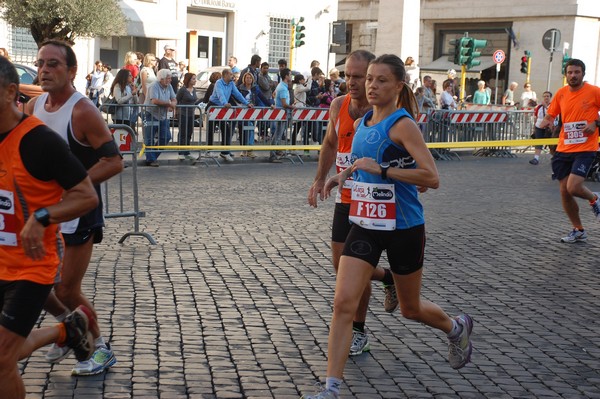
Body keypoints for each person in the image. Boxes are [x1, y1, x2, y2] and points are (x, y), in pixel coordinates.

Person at [302, 54, 474, 399]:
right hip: (365, 223)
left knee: (411, 309)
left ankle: (456, 327)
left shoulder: (403, 124)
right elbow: (361, 161)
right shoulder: (364, 119)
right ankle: (331, 388)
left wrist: (384, 172)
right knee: (342, 303)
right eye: (369, 79)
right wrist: (341, 176)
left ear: (398, 87)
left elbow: (432, 177)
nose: (371, 85)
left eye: (381, 80)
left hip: (404, 227)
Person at [0, 55, 100, 399]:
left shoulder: (38, 141)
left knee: (1, 358)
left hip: (31, 266)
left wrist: (42, 216)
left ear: (11, 91)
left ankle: (65, 330)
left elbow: (86, 196)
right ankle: (66, 331)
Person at [25, 39, 124, 376]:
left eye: (53, 64)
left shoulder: (83, 111)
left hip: (79, 211)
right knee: (37, 282)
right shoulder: (33, 107)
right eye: (40, 63)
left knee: (66, 288)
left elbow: (113, 161)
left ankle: (99, 348)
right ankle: (69, 329)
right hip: (43, 213)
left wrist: (75, 183)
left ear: (71, 71)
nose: (44, 69)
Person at [307, 50, 399, 360]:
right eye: (349, 76)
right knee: (341, 267)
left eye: (359, 76)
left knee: (355, 272)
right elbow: (331, 143)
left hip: (375, 200)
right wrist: (320, 179)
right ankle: (388, 277)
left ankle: (358, 332)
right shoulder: (338, 105)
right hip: (346, 198)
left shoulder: (384, 112)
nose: (353, 82)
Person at [539, 58, 600, 243]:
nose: (573, 75)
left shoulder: (594, 91)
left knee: (573, 187)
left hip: (585, 147)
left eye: (577, 72)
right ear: (566, 75)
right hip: (564, 148)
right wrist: (544, 124)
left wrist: (596, 123)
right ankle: (578, 229)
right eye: (570, 72)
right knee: (564, 191)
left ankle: (595, 199)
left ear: (583, 74)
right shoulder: (561, 93)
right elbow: (552, 113)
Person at [207, 67, 253, 162]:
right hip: (214, 106)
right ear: (225, 75)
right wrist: (225, 103)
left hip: (223, 108)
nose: (232, 76)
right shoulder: (218, 83)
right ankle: (209, 150)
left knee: (226, 130)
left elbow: (237, 94)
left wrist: (246, 103)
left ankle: (225, 152)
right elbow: (220, 94)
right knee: (211, 129)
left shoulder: (231, 83)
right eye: (230, 74)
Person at [143, 68, 177, 167]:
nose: (170, 80)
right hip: (150, 114)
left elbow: (174, 98)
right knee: (149, 138)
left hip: (162, 115)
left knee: (166, 136)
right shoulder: (154, 86)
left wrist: (173, 104)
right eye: (168, 78)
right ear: (161, 79)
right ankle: (151, 159)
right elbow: (155, 101)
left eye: (170, 78)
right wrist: (169, 104)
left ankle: (152, 156)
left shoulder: (169, 86)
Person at [269, 68, 294, 163]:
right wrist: (292, 107)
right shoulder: (283, 87)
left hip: (281, 113)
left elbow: (274, 94)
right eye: (290, 75)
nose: (291, 77)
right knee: (277, 135)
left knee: (278, 134)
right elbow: (284, 104)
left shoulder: (282, 86)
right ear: (286, 76)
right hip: (282, 113)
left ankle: (276, 153)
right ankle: (272, 155)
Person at [176, 72, 200, 161]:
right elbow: (177, 100)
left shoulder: (194, 90)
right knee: (183, 132)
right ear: (188, 80)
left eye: (195, 78)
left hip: (191, 114)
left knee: (189, 132)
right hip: (183, 113)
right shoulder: (182, 90)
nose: (195, 80)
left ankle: (187, 151)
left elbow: (194, 100)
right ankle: (181, 152)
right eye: (193, 79)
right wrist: (177, 111)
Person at [529, 91, 553, 165]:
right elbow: (536, 117)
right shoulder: (539, 107)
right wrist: (534, 128)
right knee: (538, 142)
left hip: (549, 127)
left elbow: (551, 114)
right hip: (539, 127)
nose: (546, 98)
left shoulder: (552, 105)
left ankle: (554, 157)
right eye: (544, 96)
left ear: (550, 97)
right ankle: (536, 158)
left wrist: (545, 106)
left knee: (551, 144)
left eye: (547, 96)